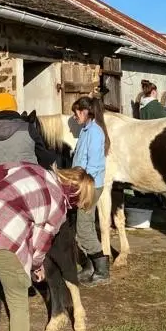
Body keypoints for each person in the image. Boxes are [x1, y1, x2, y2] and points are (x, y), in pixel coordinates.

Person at [0, 162, 95, 331]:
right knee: (18, 302)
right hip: (6, 238)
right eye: (79, 203)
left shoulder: (33, 168)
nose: (75, 207)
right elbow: (41, 245)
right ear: (75, 194)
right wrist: (36, 268)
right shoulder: (58, 205)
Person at [70, 96, 110, 286]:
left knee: (84, 228)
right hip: (84, 184)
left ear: (85, 111)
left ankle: (102, 269)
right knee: (82, 227)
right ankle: (90, 266)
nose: (75, 117)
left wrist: (83, 187)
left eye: (76, 112)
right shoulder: (86, 130)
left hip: (89, 185)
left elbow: (93, 166)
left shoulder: (95, 132)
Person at [0, 92, 56, 168]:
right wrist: (53, 152)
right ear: (15, 107)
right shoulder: (28, 128)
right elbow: (45, 160)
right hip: (27, 178)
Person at [132, 81, 166, 210]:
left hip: (144, 141)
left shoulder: (142, 106)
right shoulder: (155, 105)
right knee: (164, 172)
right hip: (158, 141)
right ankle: (165, 203)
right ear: (154, 92)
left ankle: (148, 199)